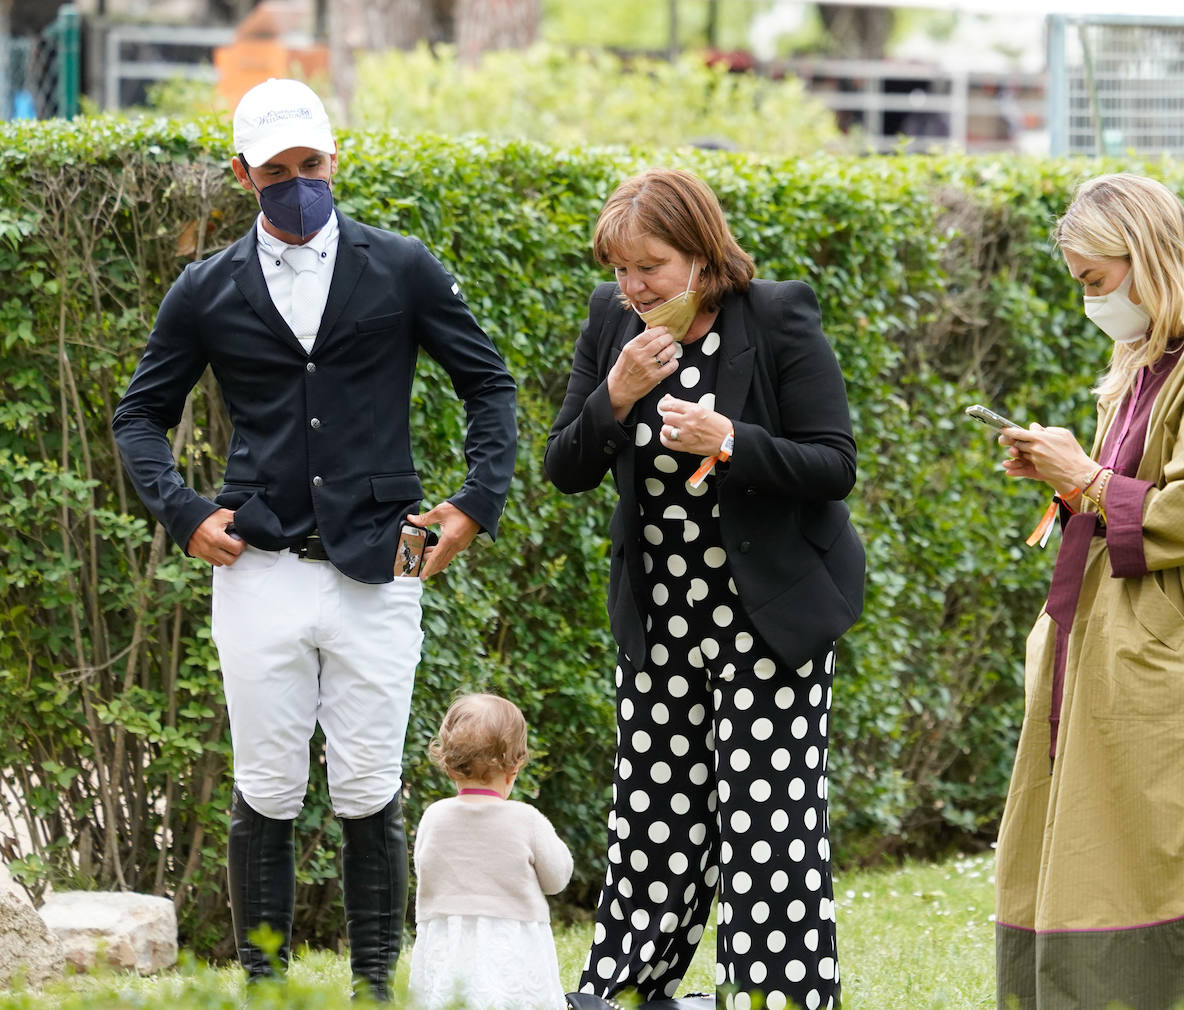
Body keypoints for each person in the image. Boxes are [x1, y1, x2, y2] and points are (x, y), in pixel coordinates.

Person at [111, 78, 518, 999]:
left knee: (370, 783)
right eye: (276, 171)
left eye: (311, 165)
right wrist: (183, 510)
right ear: (241, 173)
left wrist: (472, 504)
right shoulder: (205, 288)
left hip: (383, 559)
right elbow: (140, 416)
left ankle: (375, 985)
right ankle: (265, 982)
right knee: (266, 783)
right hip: (259, 562)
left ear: (335, 159)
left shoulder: (402, 265)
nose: (297, 184)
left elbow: (488, 385)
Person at [545, 167, 865, 1010]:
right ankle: (624, 991)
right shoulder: (612, 324)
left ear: (700, 253)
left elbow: (835, 465)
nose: (632, 287)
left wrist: (734, 441)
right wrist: (615, 396)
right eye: (620, 269)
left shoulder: (778, 314)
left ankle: (775, 997)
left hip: (769, 614)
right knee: (653, 813)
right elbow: (564, 466)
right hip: (660, 614)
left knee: (768, 820)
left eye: (650, 266)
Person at [992, 172, 1184, 1010]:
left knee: (1160, 838)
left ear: (1147, 257)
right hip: (1098, 630)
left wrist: (1086, 477)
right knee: (1077, 829)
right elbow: (1117, 489)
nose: (1090, 300)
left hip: (1162, 635)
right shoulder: (1142, 359)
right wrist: (1064, 476)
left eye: (1095, 279)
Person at [408, 693, 573, 1010]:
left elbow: (424, 867)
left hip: (447, 940)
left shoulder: (434, 817)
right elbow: (556, 878)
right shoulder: (526, 819)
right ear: (514, 768)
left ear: (451, 766)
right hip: (512, 944)